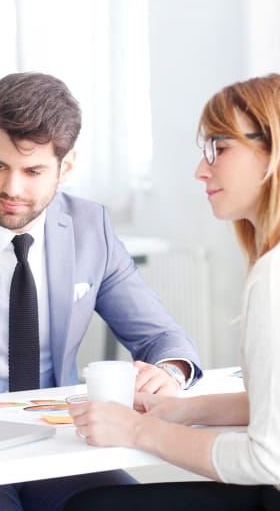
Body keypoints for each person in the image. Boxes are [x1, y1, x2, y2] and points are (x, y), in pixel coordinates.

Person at [0, 72, 201, 511]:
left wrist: (170, 369)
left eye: (33, 171)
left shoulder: (92, 229)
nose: (12, 189)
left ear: (65, 166)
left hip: (59, 445)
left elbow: (163, 338)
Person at [65, 73, 280, 511]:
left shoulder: (272, 276)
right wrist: (187, 411)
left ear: (271, 150)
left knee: (92, 507)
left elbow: (267, 458)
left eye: (220, 149)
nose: (202, 170)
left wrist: (138, 430)